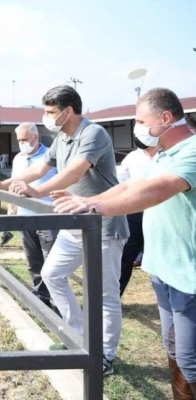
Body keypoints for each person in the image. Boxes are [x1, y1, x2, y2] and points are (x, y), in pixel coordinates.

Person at [53, 88, 196, 397]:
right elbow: (133, 184)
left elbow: (159, 189)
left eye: (141, 121)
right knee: (174, 352)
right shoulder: (165, 154)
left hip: (189, 277)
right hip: (165, 272)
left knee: (190, 359)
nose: (138, 128)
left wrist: (96, 207)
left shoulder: (192, 151)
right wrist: (89, 200)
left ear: (166, 118)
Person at [0, 85, 129, 376]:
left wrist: (36, 193)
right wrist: (1, 183)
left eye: (50, 112)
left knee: (104, 294)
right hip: (73, 224)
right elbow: (39, 168)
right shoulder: (61, 137)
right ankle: (77, 336)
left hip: (103, 224)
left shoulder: (93, 134)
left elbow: (73, 173)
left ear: (68, 110)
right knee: (52, 274)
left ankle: (105, 356)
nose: (46, 117)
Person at [8, 122, 59, 311]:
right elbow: (14, 184)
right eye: (19, 140)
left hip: (47, 214)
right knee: (33, 258)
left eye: (25, 140)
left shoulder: (51, 156)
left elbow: (62, 181)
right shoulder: (18, 159)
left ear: (36, 138)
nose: (22, 144)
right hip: (25, 215)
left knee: (51, 260)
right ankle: (40, 294)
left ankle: (56, 299)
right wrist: (12, 207)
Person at [117, 138, 160, 296]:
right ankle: (115, 297)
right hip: (135, 213)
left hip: (160, 212)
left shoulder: (167, 155)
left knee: (161, 255)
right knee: (126, 255)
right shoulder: (132, 158)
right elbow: (120, 183)